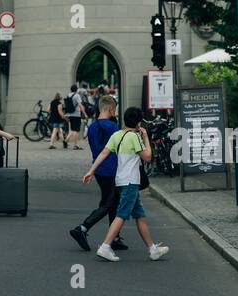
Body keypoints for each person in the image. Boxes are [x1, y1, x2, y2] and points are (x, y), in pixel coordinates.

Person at [81, 106, 169, 262]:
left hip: (120, 180)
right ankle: (105, 246)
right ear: (139, 123)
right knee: (121, 214)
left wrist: (91, 171)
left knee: (139, 215)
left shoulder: (117, 135)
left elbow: (103, 153)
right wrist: (146, 137)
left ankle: (152, 249)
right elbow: (148, 156)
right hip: (130, 182)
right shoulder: (135, 137)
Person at [69, 94, 129, 252]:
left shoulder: (93, 127)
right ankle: (82, 228)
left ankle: (114, 237)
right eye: (114, 109)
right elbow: (120, 149)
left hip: (99, 168)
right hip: (112, 169)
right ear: (110, 108)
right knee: (108, 203)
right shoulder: (112, 127)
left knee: (113, 202)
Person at [64, 84, 86, 150]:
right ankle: (76, 145)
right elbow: (80, 105)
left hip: (70, 114)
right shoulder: (77, 95)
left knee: (72, 130)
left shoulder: (68, 95)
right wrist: (84, 113)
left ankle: (65, 141)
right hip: (76, 115)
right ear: (76, 89)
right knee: (76, 130)